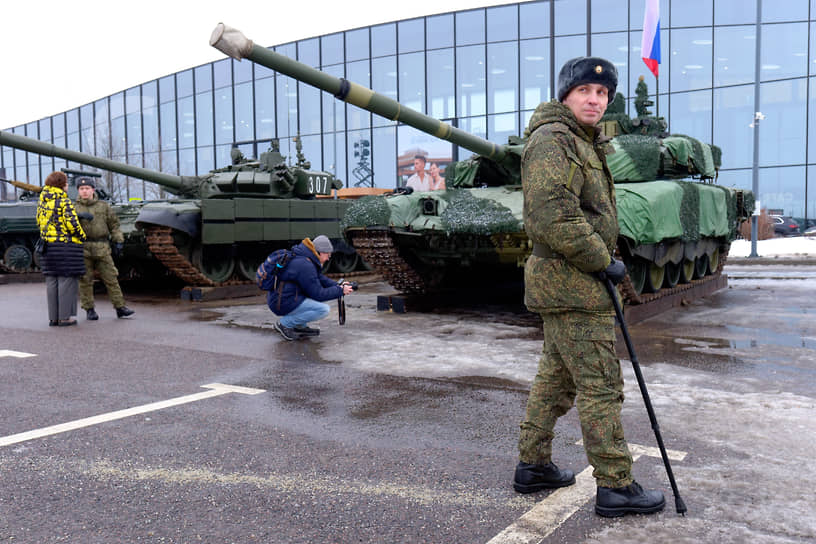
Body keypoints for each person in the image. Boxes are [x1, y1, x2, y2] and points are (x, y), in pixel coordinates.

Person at [514, 56, 665, 518]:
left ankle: (533, 465)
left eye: (602, 94)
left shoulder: (580, 141)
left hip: (571, 285)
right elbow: (552, 214)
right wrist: (605, 262)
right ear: (566, 95)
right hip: (575, 284)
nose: (595, 100)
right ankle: (616, 485)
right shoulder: (554, 141)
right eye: (585, 91)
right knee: (600, 387)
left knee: (555, 381)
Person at [268, 235, 355, 341]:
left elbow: (319, 278)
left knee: (310, 297)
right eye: (328, 254)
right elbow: (318, 294)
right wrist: (340, 291)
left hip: (282, 298)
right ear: (321, 252)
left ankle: (300, 326)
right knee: (323, 310)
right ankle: (284, 324)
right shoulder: (305, 265)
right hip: (282, 302)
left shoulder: (305, 258)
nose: (329, 257)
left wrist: (337, 285)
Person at [74, 177, 134, 320]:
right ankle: (89, 309)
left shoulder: (103, 206)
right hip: (83, 247)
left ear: (93, 190)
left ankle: (120, 307)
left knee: (111, 278)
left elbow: (114, 225)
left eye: (87, 188)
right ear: (78, 191)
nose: (85, 191)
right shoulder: (73, 208)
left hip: (102, 247)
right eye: (82, 189)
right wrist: (77, 216)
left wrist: (118, 240)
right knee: (85, 280)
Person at [36, 171, 86, 326]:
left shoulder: (42, 202)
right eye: (65, 183)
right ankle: (65, 317)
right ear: (61, 184)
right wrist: (82, 236)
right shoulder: (64, 202)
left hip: (48, 246)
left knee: (52, 280)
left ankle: (54, 317)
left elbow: (39, 222)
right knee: (66, 280)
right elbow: (72, 224)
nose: (66, 186)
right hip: (65, 247)